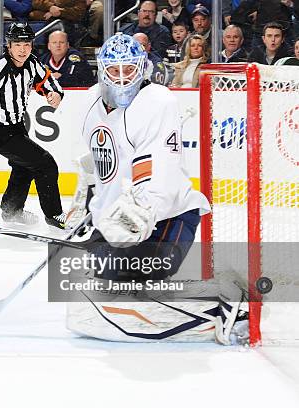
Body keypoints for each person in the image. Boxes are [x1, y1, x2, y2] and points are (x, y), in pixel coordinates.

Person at [64, 33, 248, 345]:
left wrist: (141, 213)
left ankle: (225, 303)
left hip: (167, 218)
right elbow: (95, 161)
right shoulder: (91, 101)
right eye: (114, 71)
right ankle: (203, 301)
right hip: (114, 223)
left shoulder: (157, 101)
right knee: (85, 300)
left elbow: (159, 169)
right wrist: (85, 206)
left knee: (112, 295)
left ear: (143, 69)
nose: (122, 78)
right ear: (102, 71)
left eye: (129, 70)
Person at [0, 22, 68, 229]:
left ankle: (11, 210)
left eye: (26, 44)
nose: (22, 49)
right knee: (45, 164)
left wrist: (55, 94)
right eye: (17, 44)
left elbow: (48, 82)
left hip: (16, 127)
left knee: (24, 166)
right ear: (8, 46)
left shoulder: (32, 63)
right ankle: (54, 216)